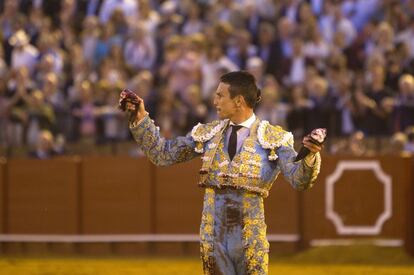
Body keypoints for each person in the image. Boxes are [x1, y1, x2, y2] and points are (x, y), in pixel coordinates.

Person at [120, 71, 322, 275]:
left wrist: (310, 155)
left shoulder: (273, 138)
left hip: (250, 241)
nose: (214, 100)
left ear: (238, 101)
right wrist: (140, 117)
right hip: (214, 242)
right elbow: (163, 155)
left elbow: (300, 180)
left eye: (220, 95)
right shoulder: (209, 133)